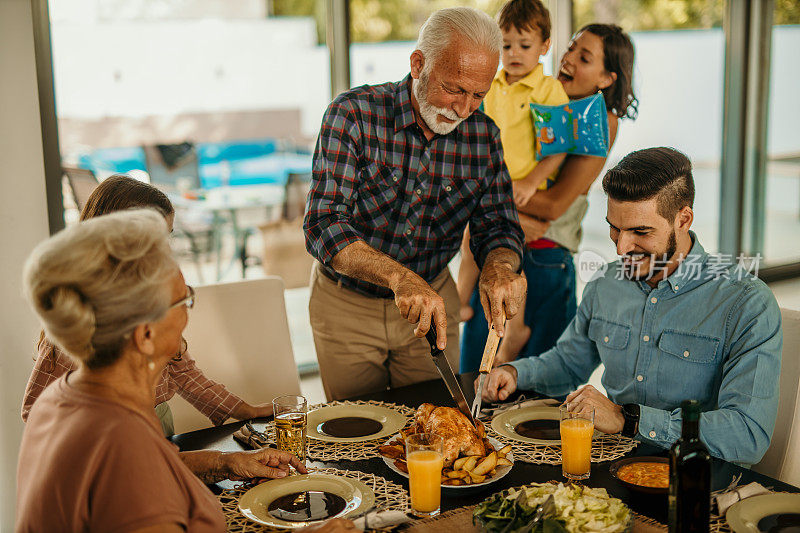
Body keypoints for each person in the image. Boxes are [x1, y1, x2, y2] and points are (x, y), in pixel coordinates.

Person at [17, 209, 360, 533]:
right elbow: (135, 475)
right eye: (185, 300)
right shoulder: (121, 449)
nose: (188, 313)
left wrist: (223, 463)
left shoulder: (65, 396)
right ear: (146, 335)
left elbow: (153, 468)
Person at [478, 147, 782, 466]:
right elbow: (569, 363)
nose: (622, 248)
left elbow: (747, 436)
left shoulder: (746, 302)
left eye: (640, 232)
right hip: (613, 466)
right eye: (614, 228)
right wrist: (515, 373)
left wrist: (629, 421)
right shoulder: (607, 283)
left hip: (697, 480)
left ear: (683, 219)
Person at [304, 7, 526, 401]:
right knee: (358, 433)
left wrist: (499, 267)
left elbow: (499, 226)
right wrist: (400, 278)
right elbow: (323, 224)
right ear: (418, 63)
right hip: (346, 305)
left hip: (436, 303)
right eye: (455, 89)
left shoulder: (484, 136)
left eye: (479, 95)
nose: (463, 109)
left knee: (436, 427)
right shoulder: (352, 114)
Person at [21, 175, 272, 435]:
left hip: (158, 420)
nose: (164, 252)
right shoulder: (80, 325)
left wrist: (244, 410)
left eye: (167, 239)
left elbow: (183, 371)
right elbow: (34, 411)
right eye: (153, 241)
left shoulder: (151, 304)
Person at [461, 23, 638, 371]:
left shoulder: (598, 119)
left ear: (606, 78)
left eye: (584, 57)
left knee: (532, 399)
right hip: (500, 248)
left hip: (543, 260)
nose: (568, 59)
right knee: (473, 381)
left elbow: (555, 204)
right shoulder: (541, 98)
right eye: (571, 48)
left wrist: (484, 193)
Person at [457, 0, 569, 363]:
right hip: (492, 184)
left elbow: (559, 147)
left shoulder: (548, 90)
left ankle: (515, 325)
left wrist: (532, 182)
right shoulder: (491, 86)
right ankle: (459, 298)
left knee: (508, 244)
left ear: (545, 46)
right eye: (506, 45)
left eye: (524, 45)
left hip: (521, 189)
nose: (514, 53)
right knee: (472, 236)